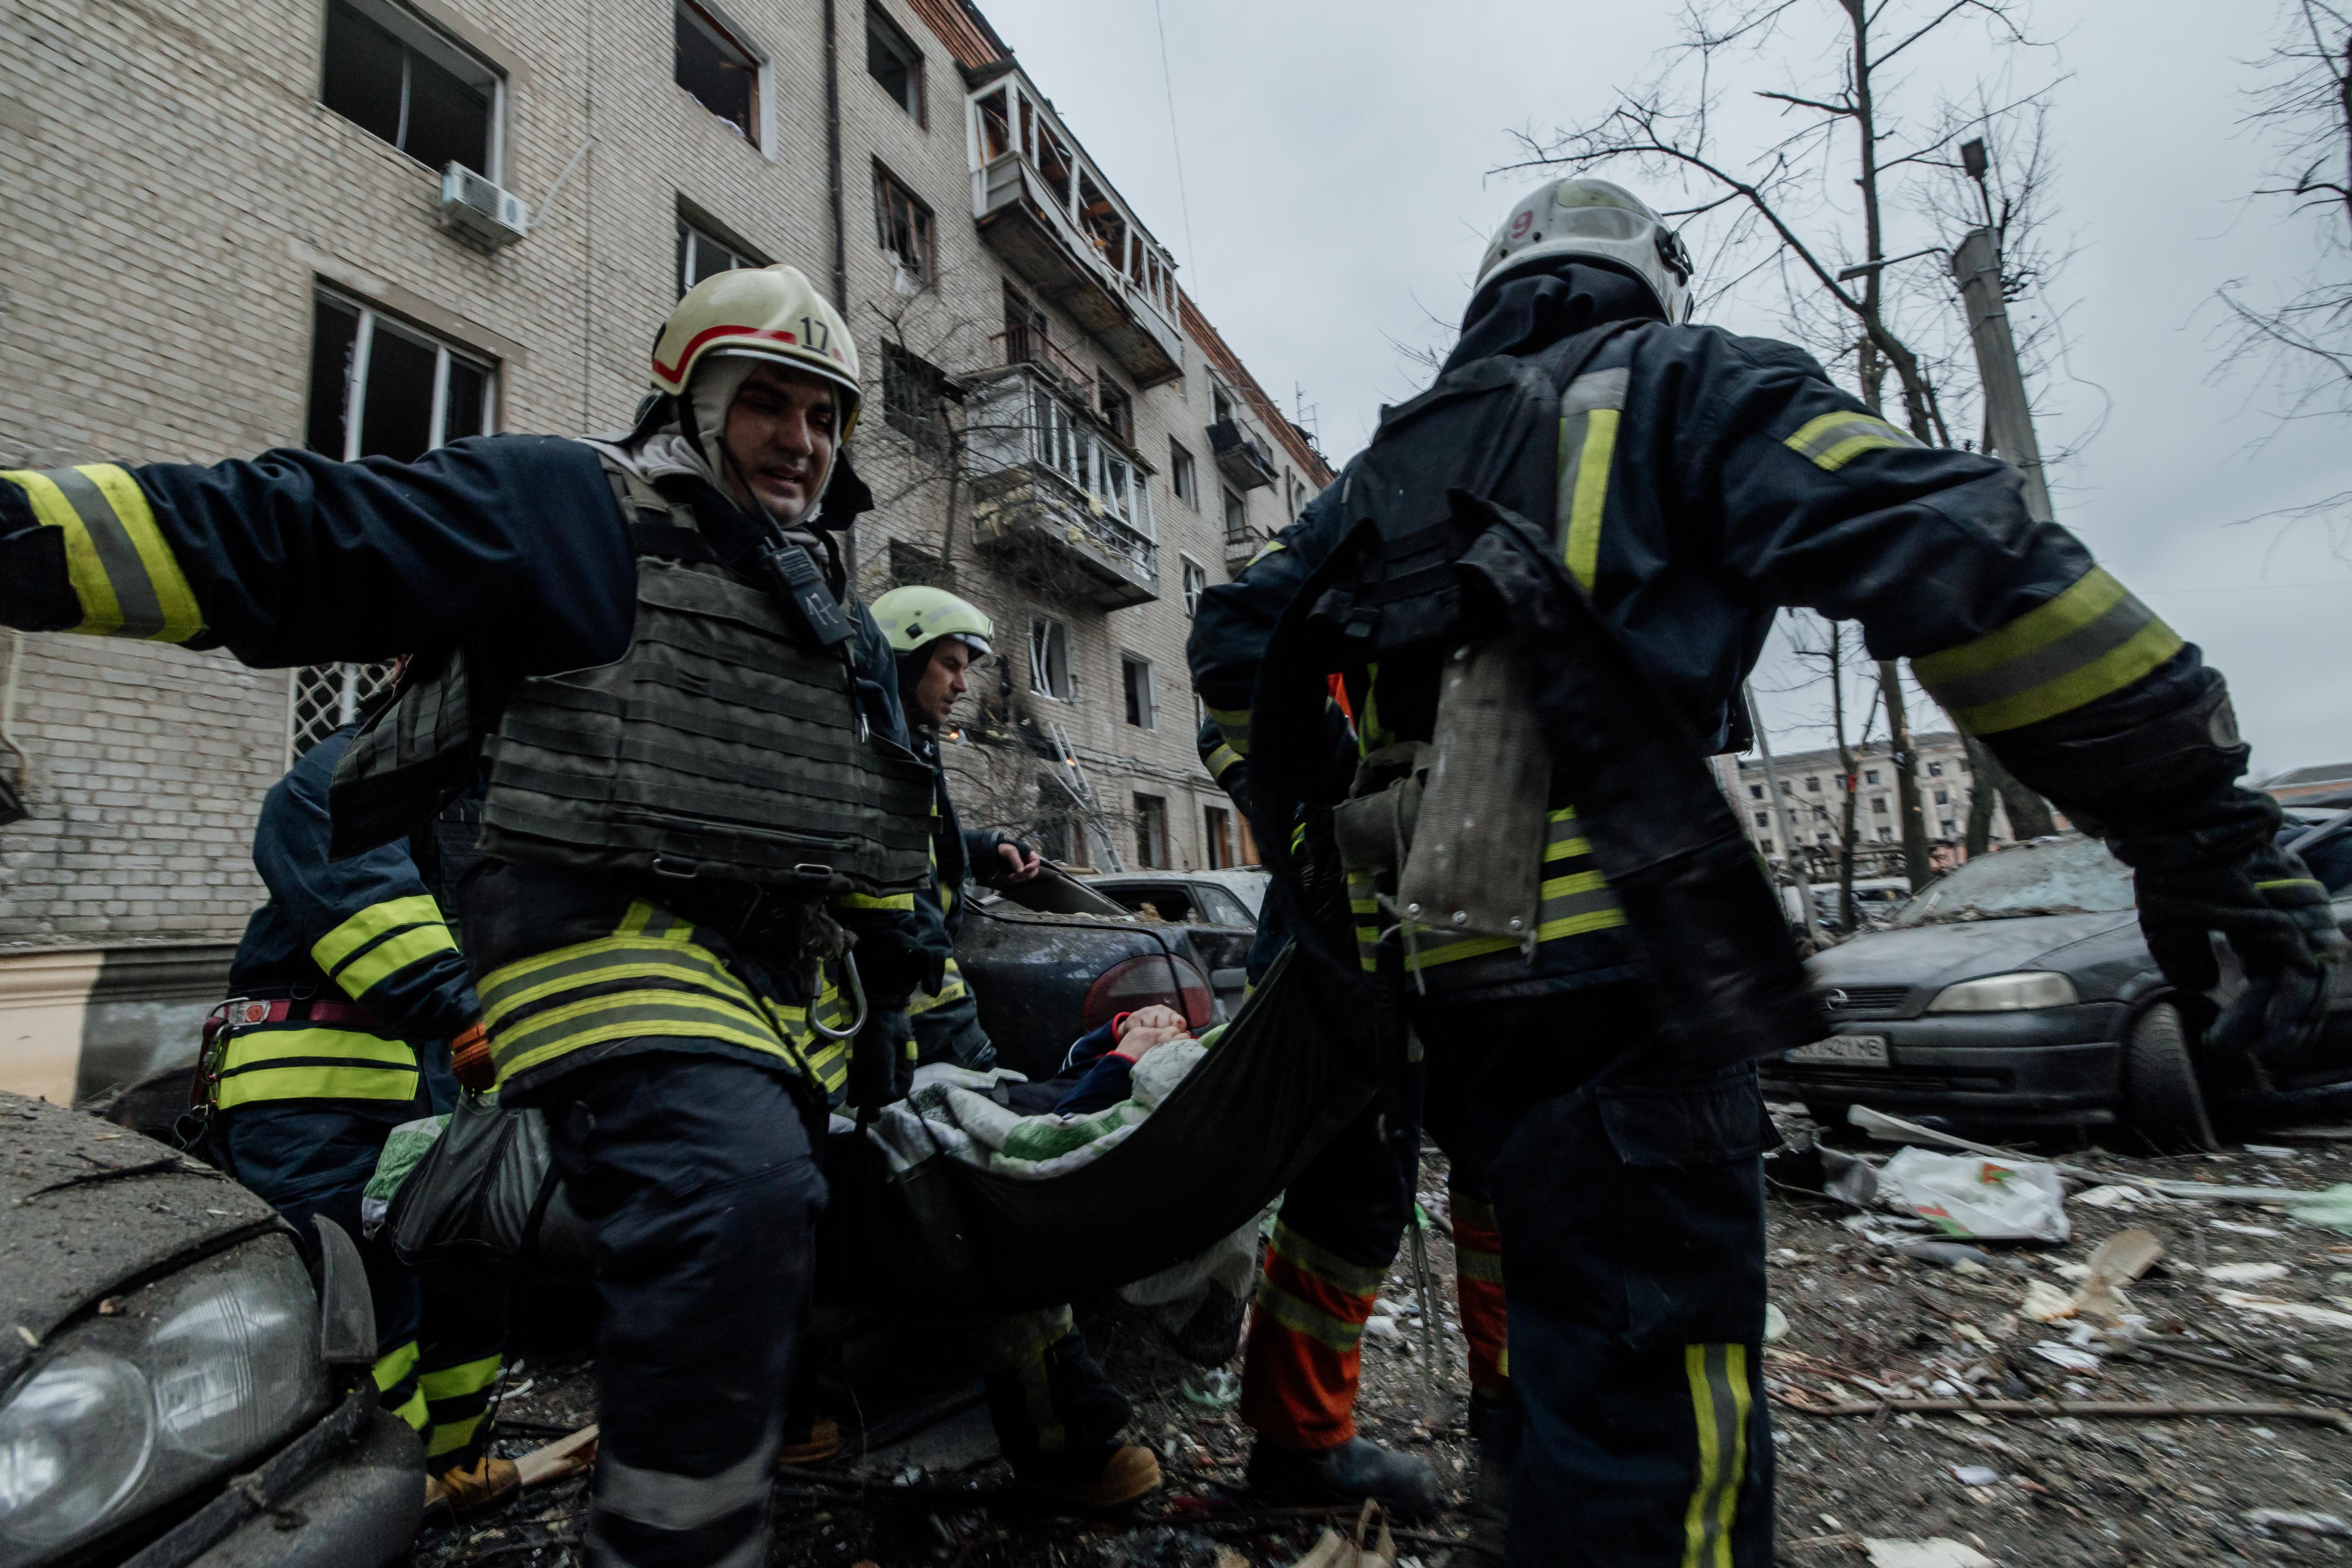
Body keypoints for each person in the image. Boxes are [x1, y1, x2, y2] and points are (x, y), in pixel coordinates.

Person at [1189, 176, 2344, 1566]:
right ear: (1648, 280)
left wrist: (1315, 833)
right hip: (1626, 985)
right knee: (1658, 1408)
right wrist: (2200, 825)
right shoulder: (1680, 385)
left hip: (1442, 991)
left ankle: (1531, 1510)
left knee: (1550, 1307)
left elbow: (1234, 642)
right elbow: (1962, 552)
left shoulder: (1387, 471)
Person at [0, 263, 952, 1568]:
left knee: (767, 1225)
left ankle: (571, 1474)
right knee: (726, 1183)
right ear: (691, 406)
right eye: (767, 404)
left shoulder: (828, 613)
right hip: (606, 951)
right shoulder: (574, 510)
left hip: (789, 995)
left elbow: (879, 829)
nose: (801, 441)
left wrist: (905, 990)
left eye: (825, 416)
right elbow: (296, 536)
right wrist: (22, 536)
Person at [855, 584, 1160, 1506]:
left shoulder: (905, 753)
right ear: (901, 660)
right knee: (989, 1223)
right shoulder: (863, 752)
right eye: (947, 665)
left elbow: (924, 859)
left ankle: (1060, 1430)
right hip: (894, 1048)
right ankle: (1067, 1437)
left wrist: (982, 850)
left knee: (992, 1216)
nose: (960, 685)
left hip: (940, 1039)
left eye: (965, 668)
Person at [203, 724, 511, 1516]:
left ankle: (457, 1465)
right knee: (365, 1307)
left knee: (470, 1280)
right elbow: (364, 898)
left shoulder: (503, 786)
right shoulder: (357, 763)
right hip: (316, 1102)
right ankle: (378, 1492)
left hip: (440, 1090)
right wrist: (476, 1013)